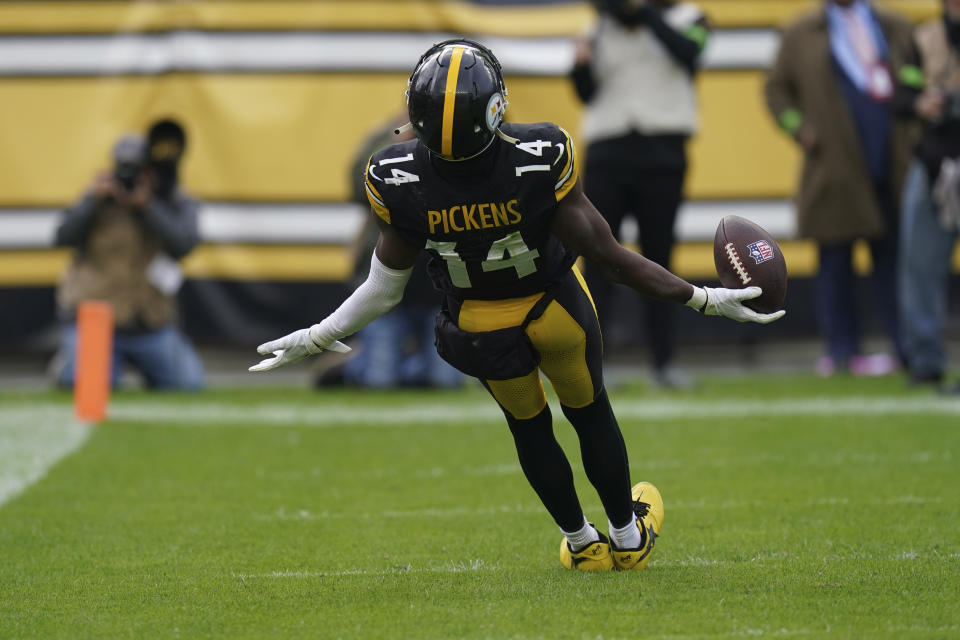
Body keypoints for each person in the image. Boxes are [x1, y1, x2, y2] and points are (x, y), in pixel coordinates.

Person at [250, 40, 783, 571]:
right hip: (554, 310)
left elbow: (385, 288)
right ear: (495, 108)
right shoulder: (540, 154)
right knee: (590, 413)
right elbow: (611, 257)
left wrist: (319, 333)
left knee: (529, 429)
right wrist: (704, 298)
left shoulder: (396, 175)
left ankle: (581, 544)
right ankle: (625, 535)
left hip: (481, 325)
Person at [765, 0, 917, 377]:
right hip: (834, 168)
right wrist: (798, 128)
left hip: (892, 163)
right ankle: (841, 351)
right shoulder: (800, 32)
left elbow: (915, 77)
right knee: (835, 261)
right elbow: (776, 91)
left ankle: (907, 348)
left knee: (895, 262)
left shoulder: (896, 25)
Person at [571, 0, 710, 388]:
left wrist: (645, 13)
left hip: (662, 154)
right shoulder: (596, 27)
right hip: (608, 152)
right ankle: (595, 363)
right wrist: (580, 64)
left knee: (660, 257)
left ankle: (664, 363)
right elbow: (586, 93)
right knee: (597, 258)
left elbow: (690, 53)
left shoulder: (690, 18)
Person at [51, 119, 205, 390]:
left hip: (150, 323)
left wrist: (149, 207)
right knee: (87, 385)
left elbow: (184, 244)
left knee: (189, 384)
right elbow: (61, 237)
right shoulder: (98, 199)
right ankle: (67, 362)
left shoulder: (170, 200)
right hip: (98, 322)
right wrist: (90, 201)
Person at [315, 114, 464, 389]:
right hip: (388, 285)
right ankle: (358, 366)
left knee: (443, 381)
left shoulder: (463, 136)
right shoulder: (388, 133)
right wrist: (392, 148)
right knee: (379, 380)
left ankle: (365, 360)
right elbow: (358, 189)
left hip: (438, 288)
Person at [897, 0, 960, 391]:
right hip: (935, 164)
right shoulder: (923, 37)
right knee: (919, 266)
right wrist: (923, 101)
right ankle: (925, 360)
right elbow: (900, 93)